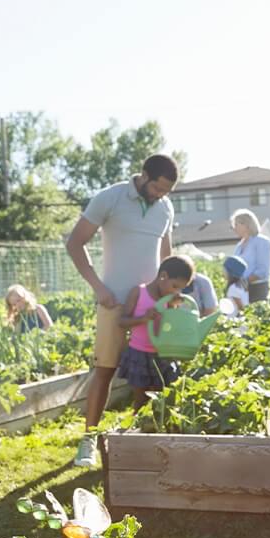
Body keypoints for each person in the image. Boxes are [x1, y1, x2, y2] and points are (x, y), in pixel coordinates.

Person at [65, 154, 178, 467]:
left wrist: (168, 295)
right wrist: (98, 287)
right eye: (157, 188)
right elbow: (75, 242)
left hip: (152, 305)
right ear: (143, 176)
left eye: (166, 191)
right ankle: (88, 441)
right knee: (105, 369)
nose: (160, 195)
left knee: (151, 372)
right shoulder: (111, 198)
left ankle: (139, 439)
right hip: (113, 300)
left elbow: (167, 257)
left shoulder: (165, 208)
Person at [116, 255, 195, 409]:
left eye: (181, 289)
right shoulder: (139, 292)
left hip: (163, 354)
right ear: (163, 276)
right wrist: (143, 319)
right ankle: (136, 430)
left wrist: (173, 308)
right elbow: (121, 321)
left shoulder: (169, 300)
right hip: (139, 353)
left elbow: (170, 326)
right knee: (141, 401)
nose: (177, 292)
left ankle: (156, 429)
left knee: (162, 400)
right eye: (175, 286)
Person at [230, 208, 270, 303]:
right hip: (241, 290)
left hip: (257, 289)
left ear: (246, 225)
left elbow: (263, 270)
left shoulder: (262, 242)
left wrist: (244, 281)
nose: (234, 228)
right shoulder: (239, 246)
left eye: (236, 224)